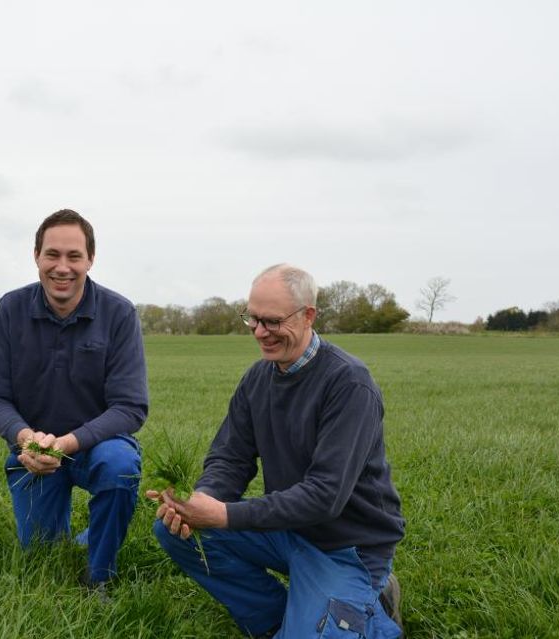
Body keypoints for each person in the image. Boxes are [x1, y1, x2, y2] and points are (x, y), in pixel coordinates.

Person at [149, 264, 405, 638]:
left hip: (346, 547)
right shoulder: (257, 378)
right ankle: (275, 619)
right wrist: (201, 500)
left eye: (271, 321)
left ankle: (376, 602)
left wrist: (223, 515)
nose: (260, 332)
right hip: (287, 530)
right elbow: (229, 458)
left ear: (308, 316)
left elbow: (324, 496)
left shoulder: (349, 384)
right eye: (252, 319)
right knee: (177, 531)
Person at [0, 209, 148, 591]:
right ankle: (83, 538)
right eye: (52, 254)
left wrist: (68, 443)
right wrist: (26, 439)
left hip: (96, 447)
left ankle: (100, 576)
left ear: (90, 259)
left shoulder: (119, 313)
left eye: (74, 256)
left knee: (119, 465)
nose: (62, 267)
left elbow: (131, 407)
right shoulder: (10, 309)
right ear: (36, 256)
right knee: (43, 558)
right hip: (32, 452)